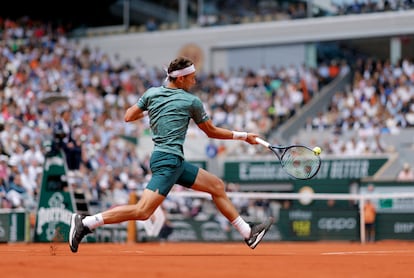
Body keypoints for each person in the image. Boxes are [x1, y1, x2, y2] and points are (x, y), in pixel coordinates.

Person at [69, 57, 274, 253]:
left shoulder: (152, 94)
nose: (195, 81)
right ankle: (86, 222)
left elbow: (128, 116)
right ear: (181, 78)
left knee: (216, 186)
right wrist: (244, 136)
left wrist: (155, 108)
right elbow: (211, 131)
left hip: (172, 161)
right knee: (142, 211)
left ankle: (248, 232)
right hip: (168, 161)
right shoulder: (191, 101)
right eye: (192, 77)